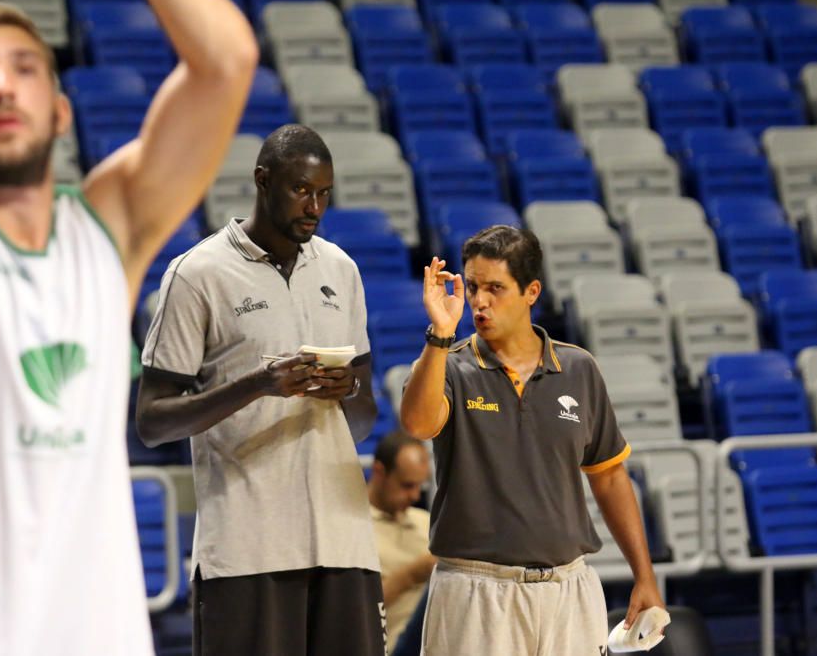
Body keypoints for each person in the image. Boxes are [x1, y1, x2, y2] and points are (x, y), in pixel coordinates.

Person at [0, 0, 256, 654]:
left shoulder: (109, 232)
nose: (2, 86)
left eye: (24, 67)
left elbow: (227, 60)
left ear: (61, 111)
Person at [136, 124, 386, 656]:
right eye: (301, 189)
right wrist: (256, 385)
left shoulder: (341, 270)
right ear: (262, 180)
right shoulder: (197, 274)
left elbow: (363, 421)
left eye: (324, 193)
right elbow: (153, 421)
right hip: (249, 546)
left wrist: (348, 389)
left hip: (343, 545)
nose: (314, 206)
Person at [400, 226, 665, 656]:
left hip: (569, 589)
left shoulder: (579, 368)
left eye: (495, 288)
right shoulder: (448, 367)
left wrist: (645, 576)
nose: (479, 301)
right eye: (471, 287)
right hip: (474, 591)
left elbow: (611, 477)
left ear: (531, 292)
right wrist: (439, 334)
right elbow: (417, 424)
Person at [367, 433, 437, 651]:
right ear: (379, 471)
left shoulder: (425, 521)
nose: (416, 495)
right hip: (395, 645)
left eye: (419, 486)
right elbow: (353, 611)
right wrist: (412, 575)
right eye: (407, 485)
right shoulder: (354, 530)